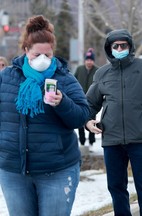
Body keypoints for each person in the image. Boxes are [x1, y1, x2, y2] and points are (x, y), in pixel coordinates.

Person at [0, 15, 90, 216]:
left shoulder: (63, 78)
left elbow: (82, 115)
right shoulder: (7, 77)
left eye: (47, 55)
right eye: (36, 55)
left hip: (56, 170)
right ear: (25, 51)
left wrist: (62, 103)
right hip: (14, 171)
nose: (42, 60)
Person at [85, 29, 142, 216]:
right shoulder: (102, 74)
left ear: (130, 47)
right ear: (110, 48)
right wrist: (87, 121)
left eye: (124, 45)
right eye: (116, 46)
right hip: (111, 140)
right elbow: (90, 103)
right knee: (116, 186)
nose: (120, 48)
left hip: (139, 137)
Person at [74, 48, 98, 146]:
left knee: (92, 120)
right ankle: (82, 141)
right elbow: (74, 81)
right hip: (80, 99)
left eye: (91, 60)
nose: (89, 62)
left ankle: (92, 141)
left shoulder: (97, 70)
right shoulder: (80, 69)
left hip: (93, 101)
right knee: (81, 121)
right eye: (87, 60)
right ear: (85, 60)